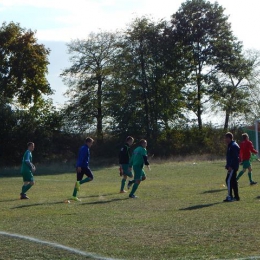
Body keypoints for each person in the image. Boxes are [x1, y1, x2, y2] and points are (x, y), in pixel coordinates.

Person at [71, 137, 94, 202]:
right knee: (91, 177)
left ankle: (74, 196)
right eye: (91, 143)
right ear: (88, 142)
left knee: (78, 181)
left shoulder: (82, 147)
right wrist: (79, 166)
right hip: (83, 166)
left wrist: (78, 165)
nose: (91, 145)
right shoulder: (85, 148)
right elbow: (81, 157)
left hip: (80, 166)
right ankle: (79, 183)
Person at [224, 132, 240, 202]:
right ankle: (236, 197)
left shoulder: (233, 146)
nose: (225, 140)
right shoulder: (231, 145)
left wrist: (231, 166)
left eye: (226, 138)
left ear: (229, 138)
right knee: (233, 181)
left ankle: (230, 196)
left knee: (228, 180)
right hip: (232, 166)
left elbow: (235, 157)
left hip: (232, 167)